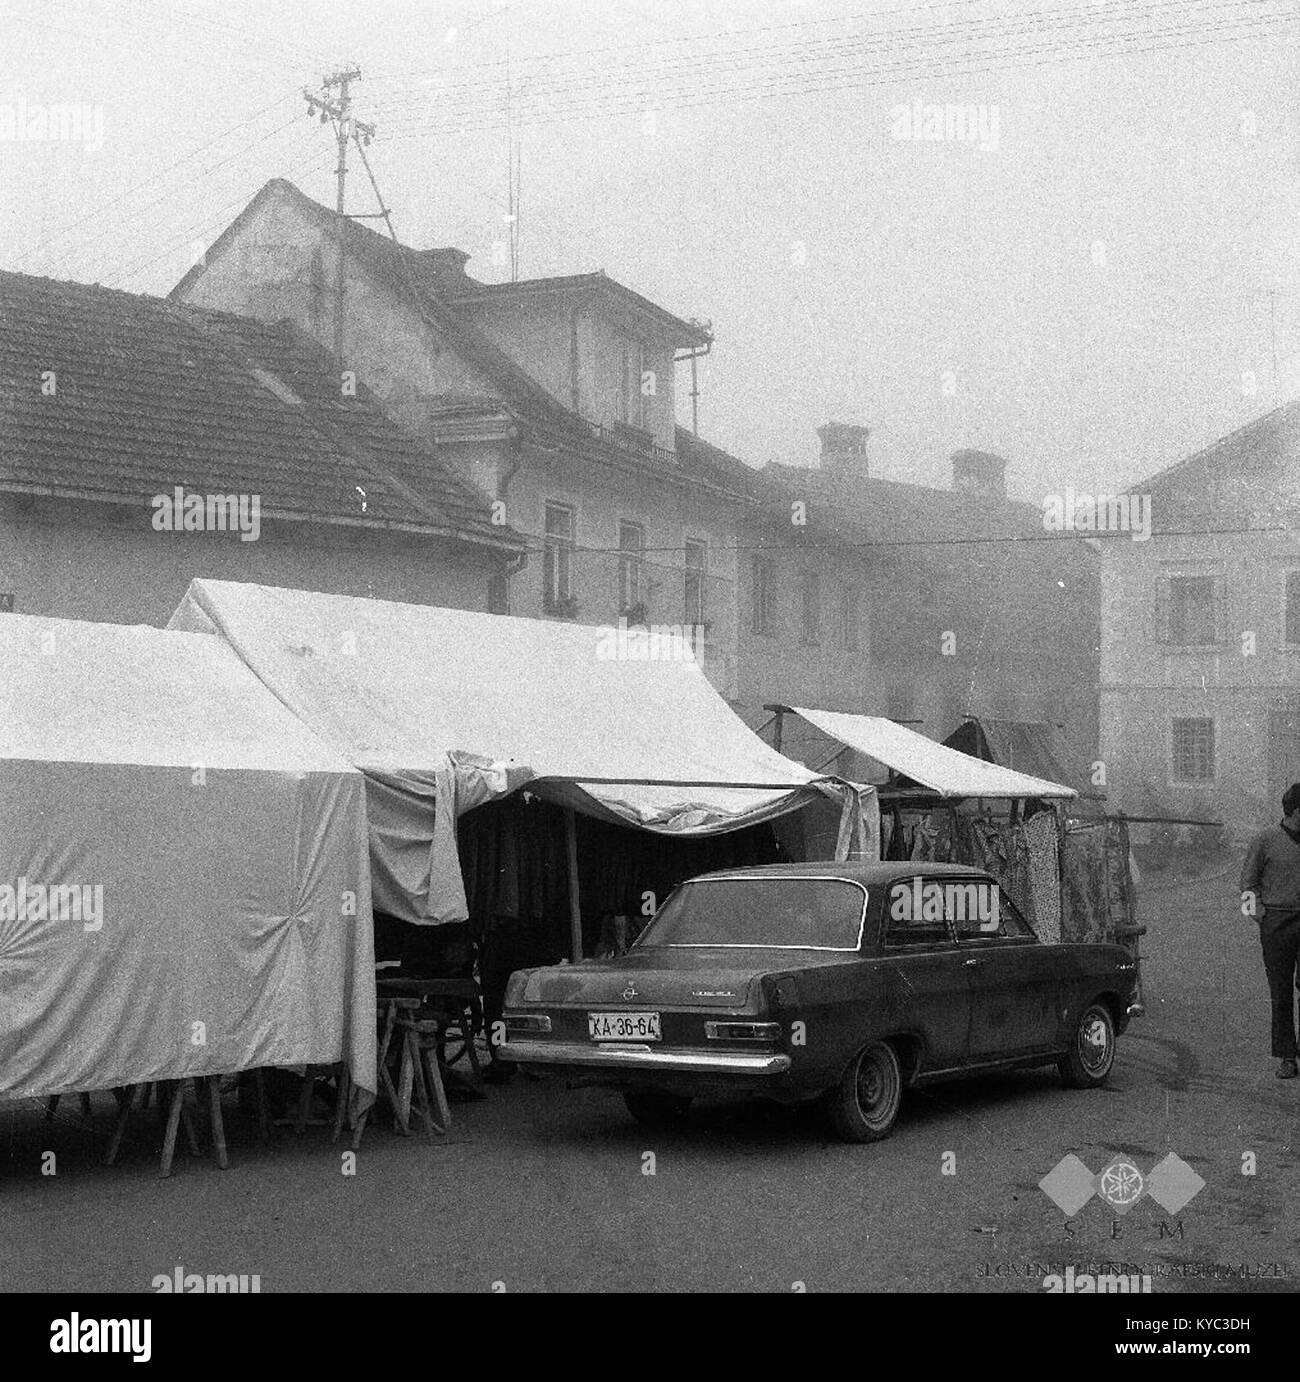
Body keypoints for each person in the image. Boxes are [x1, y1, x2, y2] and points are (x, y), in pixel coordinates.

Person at [1239, 784, 1300, 1078]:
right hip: (1277, 924)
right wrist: (1262, 917)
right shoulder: (1265, 840)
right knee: (1281, 992)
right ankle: (1288, 1056)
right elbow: (1248, 884)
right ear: (1297, 811)